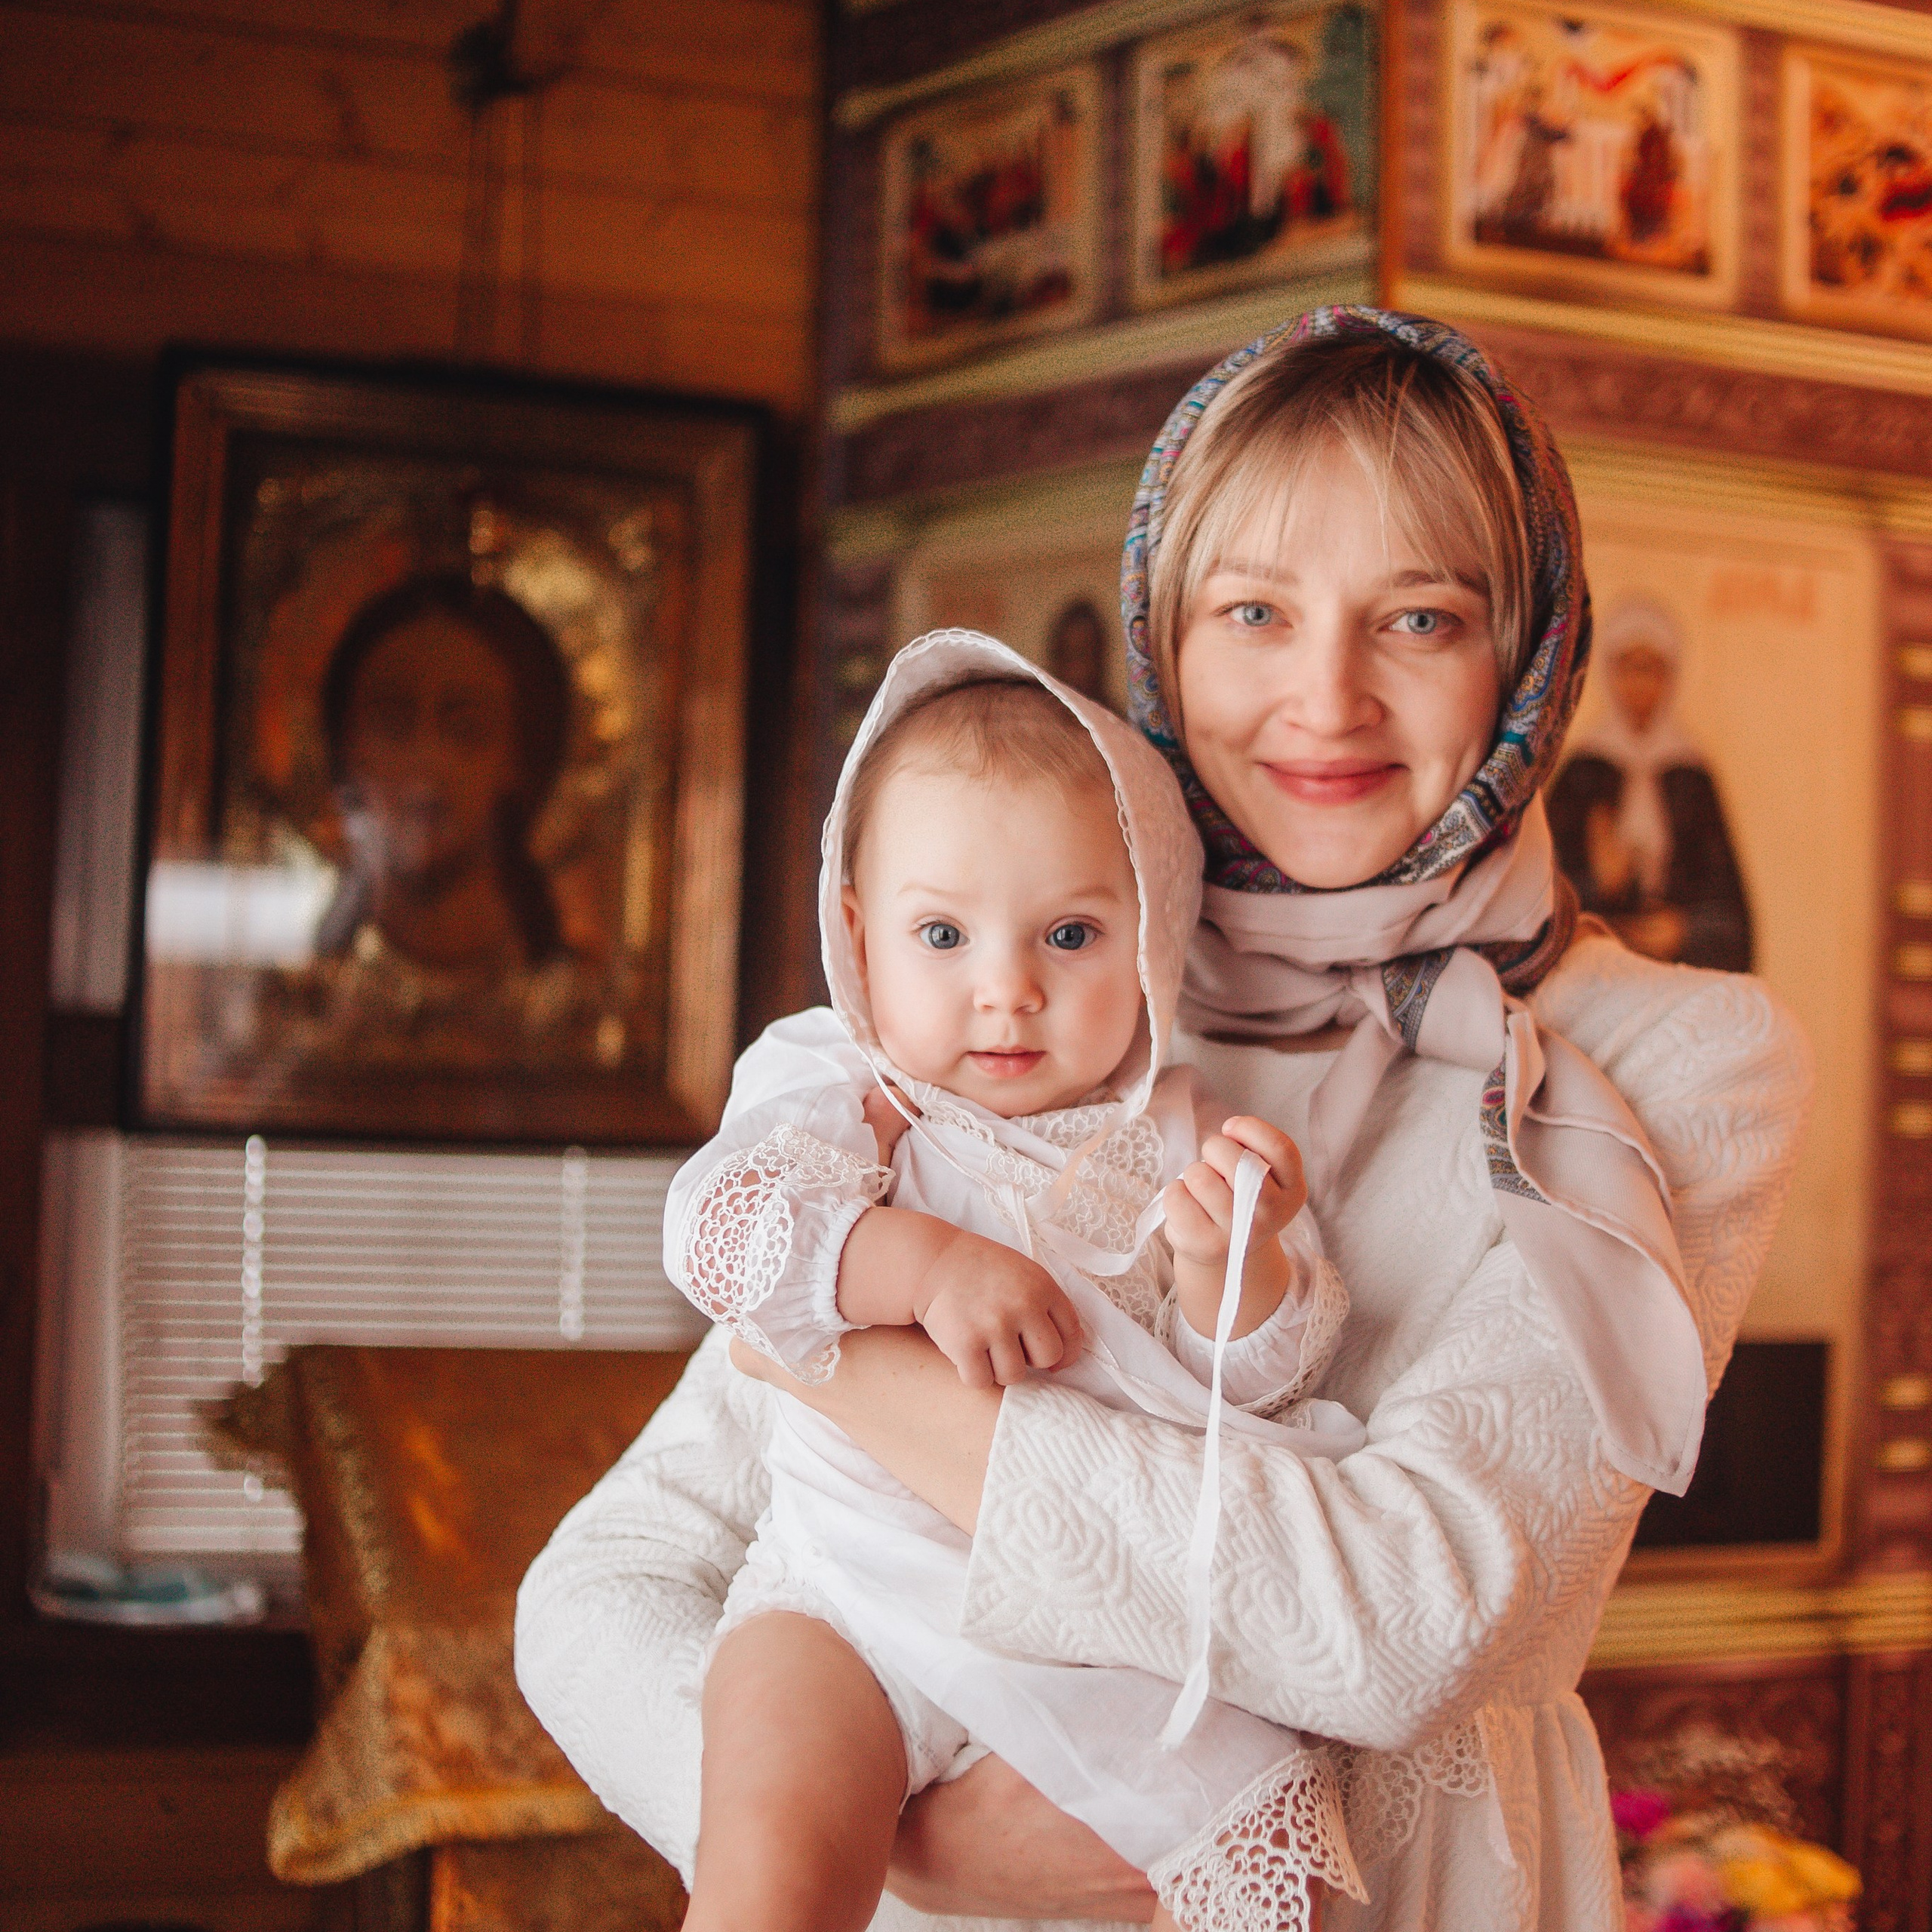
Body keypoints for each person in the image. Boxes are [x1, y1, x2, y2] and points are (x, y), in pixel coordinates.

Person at [515, 309, 1810, 1931]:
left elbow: (1404, 1613)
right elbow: (602, 1581)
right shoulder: (1046, 997)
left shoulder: (1663, 1063)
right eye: (1250, 610)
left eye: (1415, 615)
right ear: (1162, 640)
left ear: (1526, 647)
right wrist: (883, 1839)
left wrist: (830, 1350)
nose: (1321, 696)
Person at [662, 641, 1366, 1932]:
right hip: (847, 1604)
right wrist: (915, 1261)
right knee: (770, 1871)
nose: (1008, 990)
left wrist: (1233, 1273)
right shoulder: (840, 1083)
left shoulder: (1175, 1129)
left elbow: (1249, 1394)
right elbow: (717, 1235)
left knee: (1277, 1861)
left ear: (1153, 941)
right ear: (860, 934)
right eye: (943, 933)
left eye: (1071, 934)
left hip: (1089, 1630)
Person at [1546, 598, 1753, 973]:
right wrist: (1598, 883)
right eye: (1629, 668)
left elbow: (1730, 910)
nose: (1640, 684)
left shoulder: (1691, 777)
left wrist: (1686, 931)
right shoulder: (1583, 772)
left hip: (1675, 969)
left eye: (1653, 669)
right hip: (1594, 967)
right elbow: (1539, 894)